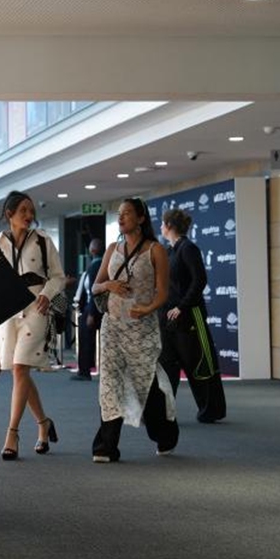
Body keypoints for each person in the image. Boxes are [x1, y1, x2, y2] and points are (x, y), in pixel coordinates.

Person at [89, 198, 179, 462]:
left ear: (141, 218)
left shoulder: (155, 250)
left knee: (146, 385)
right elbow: (95, 286)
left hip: (142, 328)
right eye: (119, 214)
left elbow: (163, 293)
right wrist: (109, 286)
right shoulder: (112, 249)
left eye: (127, 213)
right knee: (110, 383)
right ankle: (105, 446)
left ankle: (165, 434)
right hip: (113, 327)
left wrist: (148, 308)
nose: (121, 218)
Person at [0, 191, 66, 460]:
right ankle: (43, 425)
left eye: (31, 210)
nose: (29, 215)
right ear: (9, 213)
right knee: (18, 370)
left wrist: (48, 293)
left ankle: (11, 433)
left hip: (37, 306)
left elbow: (58, 276)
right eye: (23, 210)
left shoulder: (43, 241)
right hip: (9, 311)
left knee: (21, 367)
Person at [158, 208, 227, 422]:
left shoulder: (188, 249)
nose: (160, 227)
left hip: (188, 317)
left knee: (197, 364)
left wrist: (182, 306)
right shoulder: (167, 252)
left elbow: (199, 281)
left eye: (162, 223)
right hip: (167, 319)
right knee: (167, 366)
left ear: (169, 226)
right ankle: (165, 412)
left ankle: (211, 409)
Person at [71, 238, 105, 381]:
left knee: (85, 338)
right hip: (100, 308)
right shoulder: (101, 264)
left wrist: (91, 312)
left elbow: (93, 292)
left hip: (93, 309)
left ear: (92, 250)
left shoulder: (95, 267)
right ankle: (87, 367)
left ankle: (84, 370)